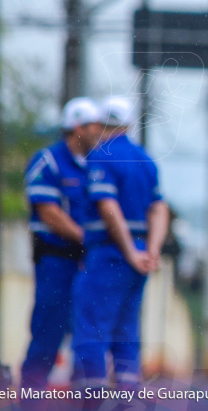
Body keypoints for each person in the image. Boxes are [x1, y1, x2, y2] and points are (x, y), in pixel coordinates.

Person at [73, 97, 169, 391]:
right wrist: (150, 251)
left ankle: (93, 397)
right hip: (139, 255)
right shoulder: (145, 160)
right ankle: (129, 397)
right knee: (126, 332)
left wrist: (128, 251)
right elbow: (159, 208)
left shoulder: (101, 157)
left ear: (101, 124)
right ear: (128, 124)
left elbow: (108, 206)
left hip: (110, 253)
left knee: (91, 329)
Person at [21, 98, 103, 391]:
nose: (100, 132)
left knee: (87, 335)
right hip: (56, 261)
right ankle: (30, 398)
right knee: (47, 332)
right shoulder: (49, 161)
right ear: (78, 127)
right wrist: (87, 237)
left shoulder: (96, 164)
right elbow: (48, 212)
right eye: (95, 126)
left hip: (88, 262)